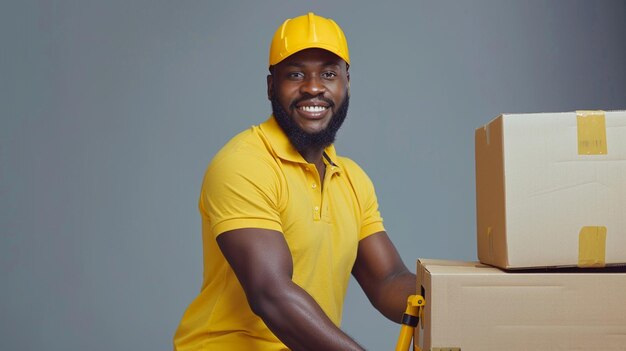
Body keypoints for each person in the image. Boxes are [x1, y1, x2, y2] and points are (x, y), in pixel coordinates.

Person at [174, 12, 416, 351]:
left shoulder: (352, 180)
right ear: (272, 85)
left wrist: (453, 299)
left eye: (328, 74)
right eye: (296, 74)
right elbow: (270, 293)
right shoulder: (244, 163)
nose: (313, 87)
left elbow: (387, 280)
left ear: (346, 82)